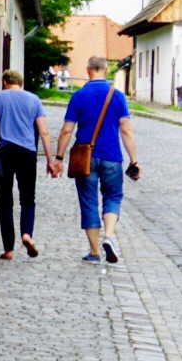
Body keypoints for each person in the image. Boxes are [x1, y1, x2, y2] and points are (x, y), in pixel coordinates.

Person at [54, 56, 140, 264]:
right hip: (112, 157)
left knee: (89, 202)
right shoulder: (118, 97)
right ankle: (108, 236)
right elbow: (126, 131)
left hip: (85, 158)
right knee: (112, 197)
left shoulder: (79, 96)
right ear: (104, 70)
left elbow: (67, 130)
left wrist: (58, 157)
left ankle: (94, 252)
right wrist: (134, 160)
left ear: (88, 70)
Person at [0, 70, 60, 260]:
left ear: (5, 82)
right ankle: (27, 234)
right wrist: (50, 161)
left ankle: (9, 249)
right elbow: (43, 132)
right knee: (28, 198)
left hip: (5, 152)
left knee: (5, 200)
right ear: (21, 83)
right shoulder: (34, 99)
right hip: (28, 153)